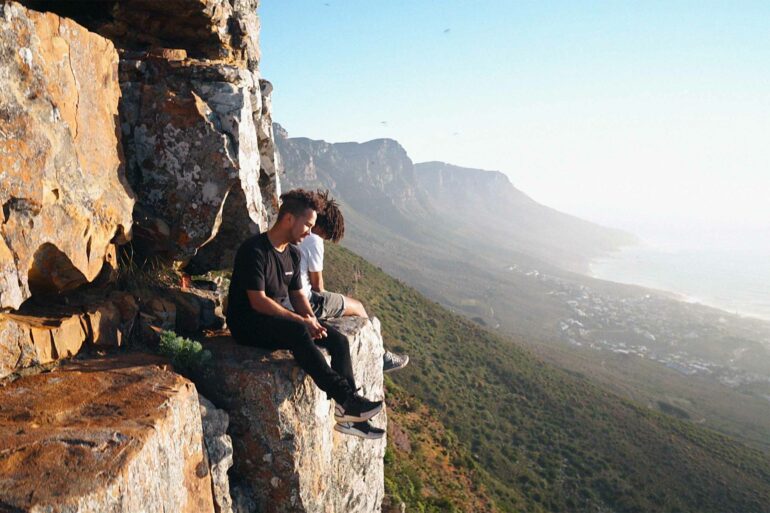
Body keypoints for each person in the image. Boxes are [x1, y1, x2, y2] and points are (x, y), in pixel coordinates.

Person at [226, 189, 385, 440]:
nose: (310, 232)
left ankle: (351, 417)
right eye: (308, 225)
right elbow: (258, 301)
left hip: (275, 319)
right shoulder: (254, 250)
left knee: (337, 340)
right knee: (299, 331)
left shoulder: (293, 254)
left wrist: (312, 319)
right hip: (247, 323)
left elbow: (298, 295)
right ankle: (345, 396)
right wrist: (302, 322)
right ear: (289, 219)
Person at [291, 190, 409, 373]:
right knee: (358, 307)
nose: (325, 239)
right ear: (321, 228)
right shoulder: (313, 239)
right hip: (306, 301)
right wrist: (335, 303)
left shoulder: (288, 232)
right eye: (327, 236)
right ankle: (381, 355)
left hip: (287, 297)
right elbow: (318, 286)